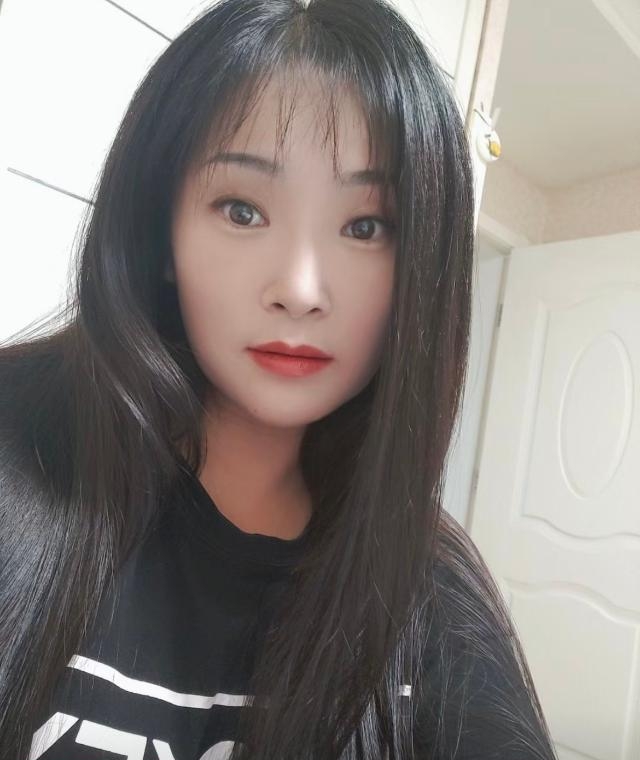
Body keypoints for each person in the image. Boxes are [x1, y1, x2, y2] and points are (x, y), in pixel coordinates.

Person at [0, 0, 559, 758]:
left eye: (366, 227)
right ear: (160, 235)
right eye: (242, 210)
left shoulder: (430, 597)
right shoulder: (18, 451)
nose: (299, 290)